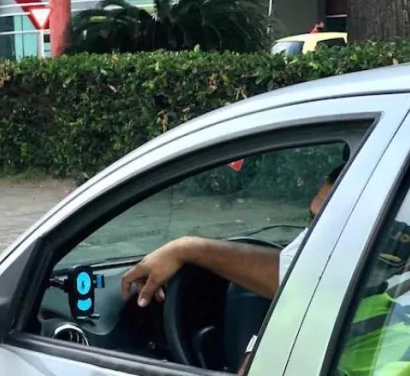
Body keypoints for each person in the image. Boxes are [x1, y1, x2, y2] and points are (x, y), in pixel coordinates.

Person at [122, 161, 410, 375]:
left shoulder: (316, 324)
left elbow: (292, 277)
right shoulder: (381, 310)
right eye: (311, 224)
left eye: (329, 229)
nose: (310, 244)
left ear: (385, 237)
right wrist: (187, 248)